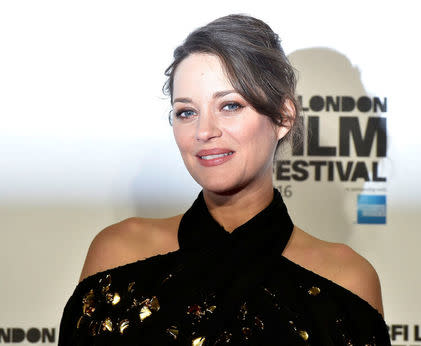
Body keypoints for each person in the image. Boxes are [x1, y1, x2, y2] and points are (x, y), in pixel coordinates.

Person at [58, 14, 391, 345]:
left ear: (283, 117)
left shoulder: (347, 282)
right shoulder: (117, 255)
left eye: (230, 105)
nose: (204, 132)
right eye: (186, 112)